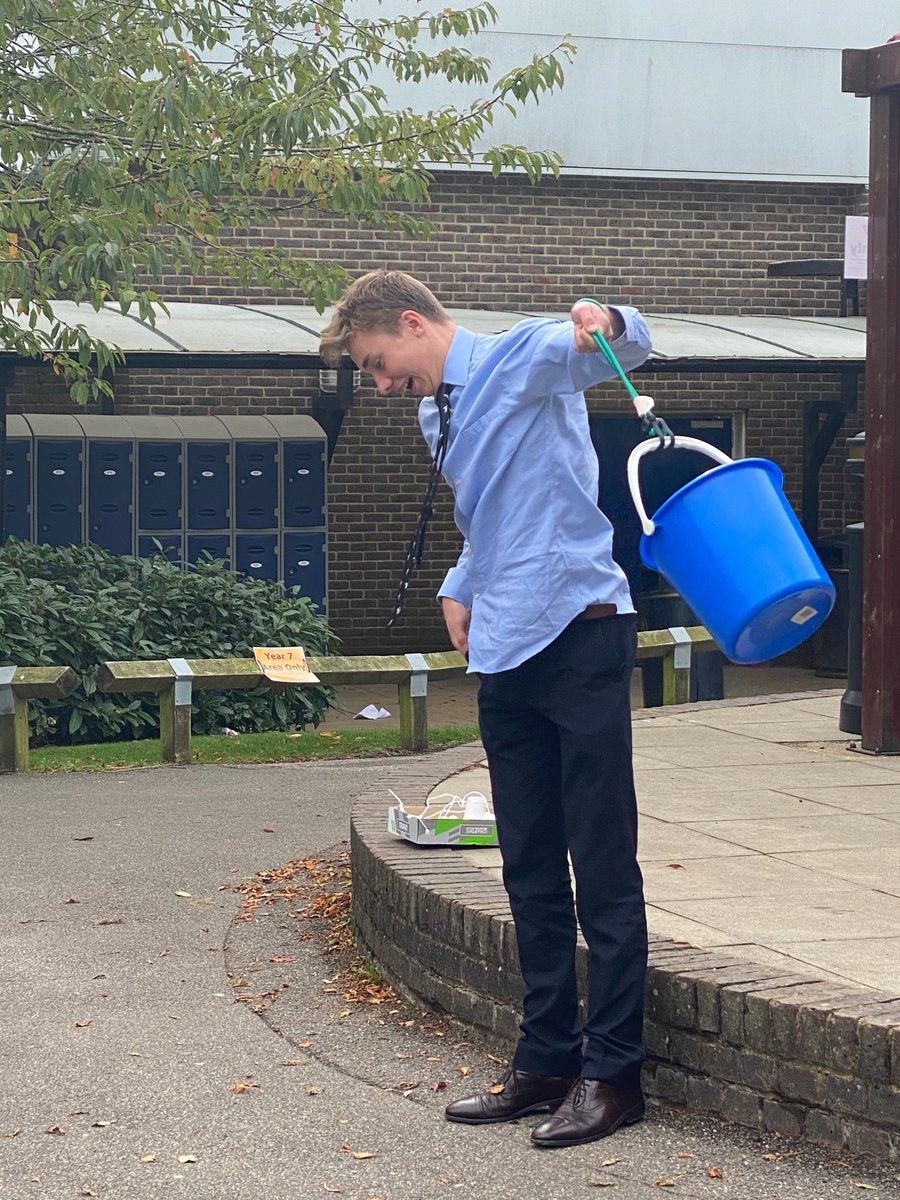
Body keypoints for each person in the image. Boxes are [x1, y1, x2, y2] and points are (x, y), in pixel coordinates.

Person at [320, 270, 653, 1149]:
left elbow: (623, 348)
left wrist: (607, 319)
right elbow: (489, 519)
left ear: (410, 322)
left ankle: (614, 1076)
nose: (383, 385)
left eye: (380, 364)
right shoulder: (438, 413)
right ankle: (545, 1061)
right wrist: (460, 584)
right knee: (531, 871)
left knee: (603, 867)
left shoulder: (522, 357)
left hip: (581, 633)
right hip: (505, 652)